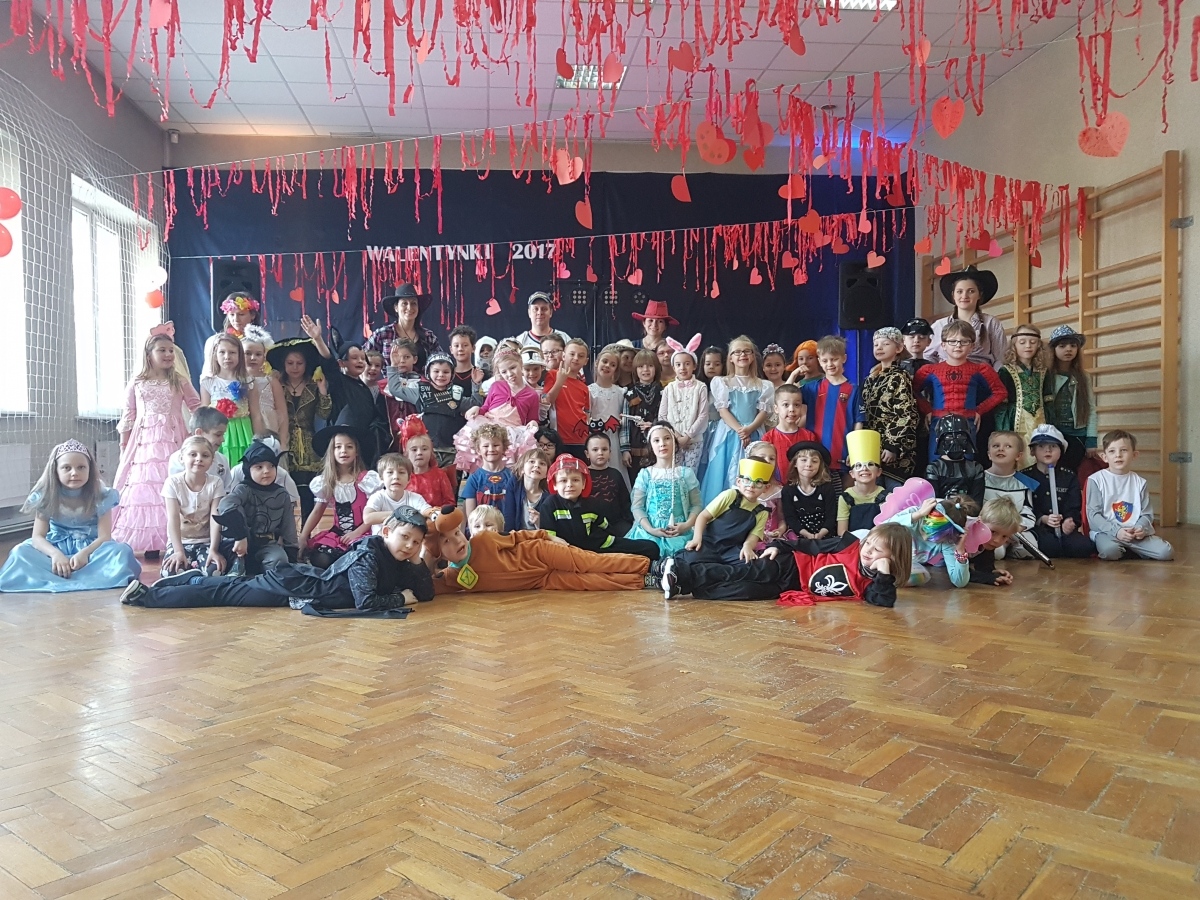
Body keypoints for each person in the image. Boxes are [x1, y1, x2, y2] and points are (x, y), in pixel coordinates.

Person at [122, 505, 433, 614]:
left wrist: (418, 561)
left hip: (296, 587)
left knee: (228, 588)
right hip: (291, 586)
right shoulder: (369, 554)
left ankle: (190, 580)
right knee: (223, 594)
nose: (409, 546)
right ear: (387, 531)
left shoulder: (399, 558)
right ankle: (147, 596)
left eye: (416, 542)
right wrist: (400, 598)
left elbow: (426, 594)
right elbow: (366, 603)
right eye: (405, 537)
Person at [657, 523, 911, 607]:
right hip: (790, 564)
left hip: (791, 588)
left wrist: (884, 572)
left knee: (743, 590)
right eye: (869, 544)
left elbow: (884, 600)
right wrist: (781, 546)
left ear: (893, 557)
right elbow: (811, 545)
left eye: (878, 551)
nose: (868, 551)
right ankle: (681, 571)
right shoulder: (849, 545)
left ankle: (684, 585)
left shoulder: (871, 583)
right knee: (742, 571)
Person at [0, 440, 140, 593]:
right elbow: (37, 537)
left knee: (121, 552)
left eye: (81, 467)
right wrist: (56, 555)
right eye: (67, 468)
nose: (74, 473)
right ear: (56, 470)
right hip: (56, 548)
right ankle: (63, 571)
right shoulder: (45, 496)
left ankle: (72, 574)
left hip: (92, 550)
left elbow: (104, 537)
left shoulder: (102, 496)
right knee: (20, 552)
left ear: (90, 469)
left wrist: (85, 553)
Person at [111, 329, 202, 556]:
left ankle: (177, 539)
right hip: (143, 445)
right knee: (144, 488)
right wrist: (123, 447)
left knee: (172, 483)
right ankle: (150, 541)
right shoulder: (137, 383)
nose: (168, 354)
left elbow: (196, 407)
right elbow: (129, 416)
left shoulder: (180, 381)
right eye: (162, 350)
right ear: (149, 354)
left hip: (173, 440)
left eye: (171, 350)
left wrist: (199, 434)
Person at [426, 506, 651, 594]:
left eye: (457, 534)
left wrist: (548, 536)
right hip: (540, 580)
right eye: (446, 542)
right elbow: (426, 588)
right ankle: (644, 580)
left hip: (541, 553)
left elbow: (518, 536)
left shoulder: (483, 539)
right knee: (589, 582)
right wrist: (428, 559)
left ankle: (648, 565)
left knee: (591, 563)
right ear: (439, 554)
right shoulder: (452, 577)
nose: (457, 542)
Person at [914, 320, 1006, 463]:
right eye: (952, 341)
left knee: (966, 463)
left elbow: (1000, 392)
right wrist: (927, 410)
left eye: (964, 341)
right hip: (938, 423)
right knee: (936, 463)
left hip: (967, 423)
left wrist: (979, 410)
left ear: (972, 346)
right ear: (943, 345)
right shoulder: (929, 370)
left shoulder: (981, 369)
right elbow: (913, 391)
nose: (958, 345)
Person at [302, 315, 388, 467]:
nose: (360, 361)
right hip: (342, 443)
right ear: (342, 363)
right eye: (355, 358)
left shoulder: (364, 389)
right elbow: (329, 363)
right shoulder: (339, 381)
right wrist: (318, 339)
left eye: (363, 358)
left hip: (359, 446)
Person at [536, 454, 659, 559]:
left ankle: (656, 569)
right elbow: (549, 538)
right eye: (563, 481)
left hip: (598, 547)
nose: (569, 485)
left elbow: (605, 526)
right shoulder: (549, 505)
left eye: (575, 480)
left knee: (651, 547)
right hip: (567, 553)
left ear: (584, 483)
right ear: (554, 484)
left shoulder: (592, 503)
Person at [700, 336, 774, 504]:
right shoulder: (722, 382)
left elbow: (763, 412)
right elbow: (723, 410)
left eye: (747, 351)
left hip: (753, 432)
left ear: (753, 356)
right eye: (737, 352)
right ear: (731, 358)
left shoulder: (764, 385)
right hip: (729, 433)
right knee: (723, 470)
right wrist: (740, 431)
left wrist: (749, 429)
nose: (742, 355)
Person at [267, 338, 332, 521]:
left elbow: (324, 413)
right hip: (284, 441)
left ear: (306, 364)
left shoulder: (313, 384)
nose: (295, 367)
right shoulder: (276, 384)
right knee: (284, 489)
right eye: (290, 363)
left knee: (308, 492)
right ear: (283, 364)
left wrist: (323, 391)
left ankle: (306, 532)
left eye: (299, 363)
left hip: (309, 445)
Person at [300, 424, 383, 569]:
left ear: (356, 451)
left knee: (362, 558)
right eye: (338, 447)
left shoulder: (366, 480)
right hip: (338, 535)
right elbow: (317, 511)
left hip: (363, 531)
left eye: (349, 447)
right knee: (320, 559)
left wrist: (356, 533)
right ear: (331, 452)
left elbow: (375, 513)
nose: (343, 450)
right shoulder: (326, 481)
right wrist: (303, 537)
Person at [212, 439, 299, 575]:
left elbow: (289, 527)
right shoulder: (243, 489)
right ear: (248, 469)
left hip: (267, 543)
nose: (266, 471)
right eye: (259, 467)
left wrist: (292, 555)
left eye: (271, 466)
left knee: (279, 562)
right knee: (231, 569)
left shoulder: (282, 494)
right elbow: (225, 504)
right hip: (239, 543)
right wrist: (240, 535)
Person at [1087, 430, 1173, 561]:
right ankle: (1128, 549)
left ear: (1134, 455)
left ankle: (1129, 548)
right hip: (1107, 532)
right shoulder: (1096, 480)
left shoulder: (1140, 482)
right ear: (1104, 457)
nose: (1118, 455)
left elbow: (1146, 514)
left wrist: (1140, 528)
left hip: (1134, 534)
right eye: (1112, 451)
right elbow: (1093, 515)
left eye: (1124, 450)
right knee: (1110, 551)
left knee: (1166, 552)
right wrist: (1116, 531)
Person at [388, 351, 480, 472]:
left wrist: (476, 384)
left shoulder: (456, 394)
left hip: (451, 451)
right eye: (436, 371)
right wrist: (393, 367)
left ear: (452, 374)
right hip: (426, 451)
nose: (441, 375)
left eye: (446, 372)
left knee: (450, 483)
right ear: (428, 373)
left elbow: (475, 404)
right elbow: (395, 389)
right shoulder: (419, 392)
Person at [453, 347, 539, 473]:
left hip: (511, 433)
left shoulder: (532, 395)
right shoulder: (496, 386)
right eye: (504, 371)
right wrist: (477, 409)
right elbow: (486, 407)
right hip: (489, 427)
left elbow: (532, 419)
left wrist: (534, 423)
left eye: (512, 368)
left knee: (505, 465)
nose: (509, 374)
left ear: (521, 363)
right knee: (482, 459)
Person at [160, 436, 234, 578]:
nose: (199, 459)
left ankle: (195, 578)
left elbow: (215, 518)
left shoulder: (216, 483)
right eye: (193, 454)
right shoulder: (172, 483)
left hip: (206, 542)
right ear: (182, 458)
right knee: (170, 572)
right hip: (181, 543)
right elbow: (173, 519)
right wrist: (178, 551)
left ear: (212, 460)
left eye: (205, 455)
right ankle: (193, 575)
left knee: (215, 572)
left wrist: (214, 550)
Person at [624, 423, 702, 556]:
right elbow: (637, 507)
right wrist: (650, 529)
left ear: (674, 442)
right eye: (656, 440)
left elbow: (696, 505)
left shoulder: (685, 473)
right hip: (649, 532)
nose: (662, 444)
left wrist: (687, 525)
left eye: (667, 438)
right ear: (651, 445)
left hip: (680, 533)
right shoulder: (646, 474)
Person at [1021, 425, 1095, 559]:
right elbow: (1024, 506)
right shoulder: (1025, 477)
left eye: (1053, 446)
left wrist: (1070, 521)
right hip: (1038, 528)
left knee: (1084, 546)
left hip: (1063, 528)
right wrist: (1043, 519)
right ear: (1032, 451)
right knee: (1049, 547)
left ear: (1061, 451)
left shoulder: (1069, 476)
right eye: (1041, 446)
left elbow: (1074, 505)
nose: (1048, 450)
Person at [881, 492, 981, 588]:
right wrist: (918, 514)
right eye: (925, 529)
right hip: (880, 555)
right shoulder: (915, 514)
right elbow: (881, 529)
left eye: (936, 537)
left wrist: (960, 551)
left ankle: (885, 580)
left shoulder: (947, 541)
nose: (925, 538)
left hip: (901, 568)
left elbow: (959, 582)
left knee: (923, 576)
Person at [684, 456, 772, 564]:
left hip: (732, 550)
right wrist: (697, 538)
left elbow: (753, 537)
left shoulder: (762, 512)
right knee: (690, 560)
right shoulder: (730, 495)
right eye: (747, 480)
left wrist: (747, 547)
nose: (751, 486)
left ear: (766, 487)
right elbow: (703, 516)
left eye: (758, 482)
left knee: (752, 564)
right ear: (738, 481)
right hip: (709, 543)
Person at [800, 335, 861, 487]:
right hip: (816, 456)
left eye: (834, 359)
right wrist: (795, 374)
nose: (830, 364)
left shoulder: (853, 389)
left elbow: (859, 423)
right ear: (819, 361)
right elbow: (784, 395)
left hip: (843, 454)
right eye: (825, 360)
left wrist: (854, 452)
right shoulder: (812, 388)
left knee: (844, 496)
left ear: (844, 358)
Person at [861, 327, 918, 478]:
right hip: (872, 445)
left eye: (885, 344)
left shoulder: (900, 376)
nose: (879, 348)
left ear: (898, 348)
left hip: (893, 448)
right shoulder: (870, 379)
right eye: (876, 344)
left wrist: (892, 445)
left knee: (892, 488)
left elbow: (905, 413)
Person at [200, 333, 264, 466]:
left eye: (232, 352)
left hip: (243, 432)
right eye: (222, 352)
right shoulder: (208, 382)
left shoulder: (248, 381)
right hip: (217, 433)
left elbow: (256, 414)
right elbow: (204, 415)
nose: (227, 357)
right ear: (215, 354)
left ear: (240, 355)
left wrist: (258, 440)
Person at [926, 265, 1007, 369]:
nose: (964, 296)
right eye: (959, 291)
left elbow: (1000, 358)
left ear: (979, 295)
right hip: (945, 377)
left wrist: (993, 377)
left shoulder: (991, 323)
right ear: (953, 295)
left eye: (971, 291)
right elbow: (927, 357)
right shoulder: (939, 325)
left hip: (982, 376)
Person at [1043, 325, 1098, 472]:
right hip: (1053, 434)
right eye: (1062, 346)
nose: (1068, 349)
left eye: (1073, 346)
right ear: (1053, 349)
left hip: (1077, 436)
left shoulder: (1084, 377)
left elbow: (1091, 409)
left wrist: (1091, 440)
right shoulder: (1046, 376)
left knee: (1071, 474)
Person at [995, 324, 1048, 465]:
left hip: (1041, 420)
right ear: (1014, 345)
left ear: (1038, 345)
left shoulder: (1044, 371)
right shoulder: (1006, 371)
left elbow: (1048, 400)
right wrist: (1003, 430)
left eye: (1033, 342)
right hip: (1015, 420)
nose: (1028, 346)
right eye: (1022, 342)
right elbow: (1002, 406)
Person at [983, 431, 1038, 559]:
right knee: (996, 553)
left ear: (1018, 456)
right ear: (989, 454)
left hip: (1014, 530)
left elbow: (1028, 511)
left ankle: (1009, 546)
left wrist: (1014, 529)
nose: (1001, 449)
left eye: (1008, 446)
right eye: (996, 446)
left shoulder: (1025, 483)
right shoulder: (979, 478)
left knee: (1029, 550)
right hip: (990, 530)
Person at [658, 335, 709, 472]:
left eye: (687, 364)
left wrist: (687, 436)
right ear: (674, 367)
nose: (683, 368)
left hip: (694, 440)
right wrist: (676, 436)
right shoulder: (669, 388)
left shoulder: (700, 387)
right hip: (673, 440)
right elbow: (662, 416)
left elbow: (703, 415)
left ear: (694, 366)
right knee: (673, 473)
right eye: (678, 364)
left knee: (690, 474)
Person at [364, 283, 442, 370]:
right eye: (404, 303)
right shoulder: (382, 334)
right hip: (390, 378)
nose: (409, 307)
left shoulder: (428, 337)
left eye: (413, 303)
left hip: (422, 378)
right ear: (396, 308)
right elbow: (362, 358)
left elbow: (441, 362)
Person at [458, 424, 521, 532]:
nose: (491, 449)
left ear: (504, 448)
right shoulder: (474, 479)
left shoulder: (512, 476)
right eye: (486, 446)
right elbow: (471, 515)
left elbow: (518, 507)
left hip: (508, 533)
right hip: (482, 533)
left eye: (496, 445)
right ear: (478, 449)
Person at [588, 344, 631, 488]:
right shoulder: (589, 391)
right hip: (595, 439)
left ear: (616, 370)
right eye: (605, 362)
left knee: (615, 473)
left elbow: (624, 421)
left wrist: (625, 449)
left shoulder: (621, 392)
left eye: (612, 365)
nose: (607, 366)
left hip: (614, 441)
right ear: (597, 363)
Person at [543, 338, 592, 457]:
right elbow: (546, 401)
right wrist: (559, 382)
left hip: (580, 441)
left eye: (581, 356)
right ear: (564, 356)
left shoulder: (584, 387)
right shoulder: (552, 375)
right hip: (559, 439)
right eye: (572, 354)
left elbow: (586, 414)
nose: (576, 358)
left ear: (586, 361)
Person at [925, 414, 986, 508]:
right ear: (938, 440)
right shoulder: (934, 468)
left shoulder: (976, 468)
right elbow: (932, 503)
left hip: (968, 515)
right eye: (949, 437)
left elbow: (976, 505)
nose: (955, 441)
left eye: (960, 436)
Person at [781, 441, 839, 541]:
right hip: (799, 536)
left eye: (814, 461)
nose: (809, 464)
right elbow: (790, 517)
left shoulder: (827, 488)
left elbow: (831, 515)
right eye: (804, 460)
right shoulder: (788, 490)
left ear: (820, 465)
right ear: (795, 463)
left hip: (826, 536)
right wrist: (806, 534)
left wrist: (821, 534)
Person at [761, 384, 818, 483]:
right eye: (786, 405)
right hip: (776, 488)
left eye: (796, 405)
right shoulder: (768, 438)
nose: (792, 409)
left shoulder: (809, 436)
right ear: (776, 408)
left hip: (802, 488)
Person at [620, 349, 664, 475]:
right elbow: (625, 424)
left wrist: (654, 425)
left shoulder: (664, 393)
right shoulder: (629, 394)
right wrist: (625, 450)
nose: (645, 370)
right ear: (635, 370)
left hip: (658, 449)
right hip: (635, 451)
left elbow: (667, 420)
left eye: (650, 366)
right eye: (640, 366)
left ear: (656, 368)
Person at [838, 431, 889, 535]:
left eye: (870, 464)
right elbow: (842, 532)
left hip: (878, 541)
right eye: (858, 465)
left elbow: (887, 529)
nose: (864, 468)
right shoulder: (845, 497)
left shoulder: (886, 496)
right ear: (852, 474)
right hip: (852, 542)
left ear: (879, 472)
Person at [168, 407, 232, 491]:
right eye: (218, 435)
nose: (223, 440)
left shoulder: (222, 459)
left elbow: (227, 489)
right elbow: (176, 490)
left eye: (223, 435)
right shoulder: (178, 459)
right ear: (199, 433)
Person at [242, 326, 288, 442]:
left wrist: (282, 442)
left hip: (267, 428)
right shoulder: (236, 380)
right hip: (243, 428)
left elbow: (283, 413)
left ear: (264, 357)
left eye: (258, 354)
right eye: (248, 353)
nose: (253, 358)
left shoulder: (271, 381)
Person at [364, 454, 430, 534]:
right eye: (390, 472)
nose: (396, 477)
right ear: (381, 478)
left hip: (408, 540)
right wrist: (400, 514)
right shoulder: (378, 497)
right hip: (381, 540)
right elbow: (367, 518)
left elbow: (427, 511)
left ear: (409, 479)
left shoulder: (416, 498)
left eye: (401, 472)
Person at [201, 291, 261, 377]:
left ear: (253, 315)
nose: (236, 319)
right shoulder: (214, 341)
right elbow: (208, 373)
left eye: (241, 314)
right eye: (232, 314)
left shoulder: (262, 341)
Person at [585, 433, 633, 537]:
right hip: (593, 525)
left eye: (604, 449)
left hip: (617, 523)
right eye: (595, 450)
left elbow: (625, 502)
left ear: (610, 453)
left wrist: (631, 521)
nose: (600, 453)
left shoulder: (615, 474)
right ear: (587, 453)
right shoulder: (582, 475)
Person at [969, 497, 1025, 586]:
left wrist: (992, 573)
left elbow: (983, 565)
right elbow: (958, 573)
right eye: (993, 532)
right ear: (979, 522)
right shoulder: (963, 535)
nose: (997, 540)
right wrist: (986, 578)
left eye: (1004, 536)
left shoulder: (987, 541)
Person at [404, 431, 457, 509]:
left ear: (431, 453)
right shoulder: (403, 476)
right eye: (414, 450)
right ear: (407, 454)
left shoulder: (440, 475)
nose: (419, 453)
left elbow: (449, 502)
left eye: (424, 449)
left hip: (435, 514)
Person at [512, 447, 551, 530]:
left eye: (542, 463)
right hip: (516, 535)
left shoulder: (548, 497)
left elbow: (548, 529)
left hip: (538, 536)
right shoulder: (515, 486)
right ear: (522, 469)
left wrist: (539, 523)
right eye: (532, 461)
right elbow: (509, 516)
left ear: (546, 474)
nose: (537, 465)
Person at [447, 325, 486, 401]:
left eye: (465, 345)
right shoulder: (446, 375)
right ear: (451, 349)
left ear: (473, 348)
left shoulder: (482, 374)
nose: (460, 349)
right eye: (456, 346)